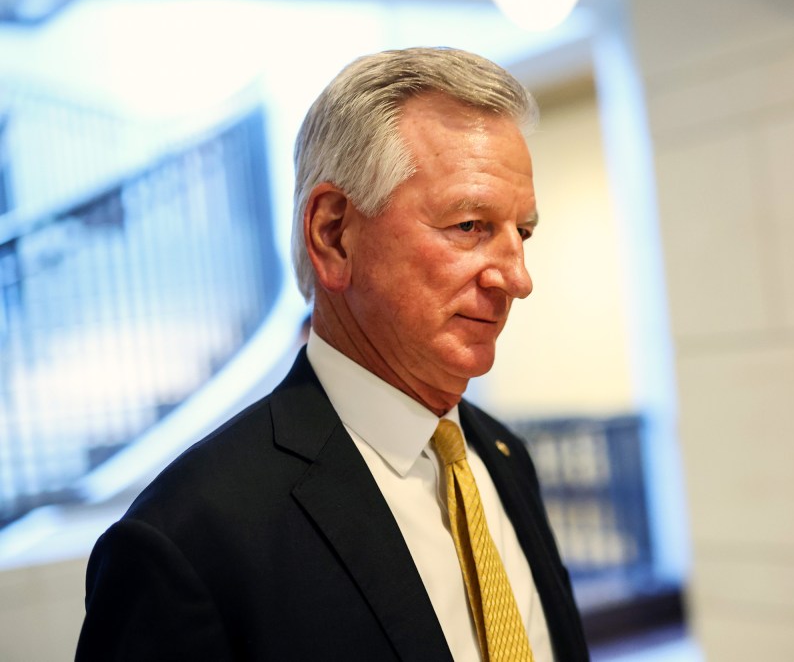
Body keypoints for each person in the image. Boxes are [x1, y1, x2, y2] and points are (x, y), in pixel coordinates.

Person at [75, 47, 589, 661]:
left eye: (522, 232)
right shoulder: (188, 538)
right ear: (333, 234)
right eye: (470, 225)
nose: (517, 277)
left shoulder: (505, 459)